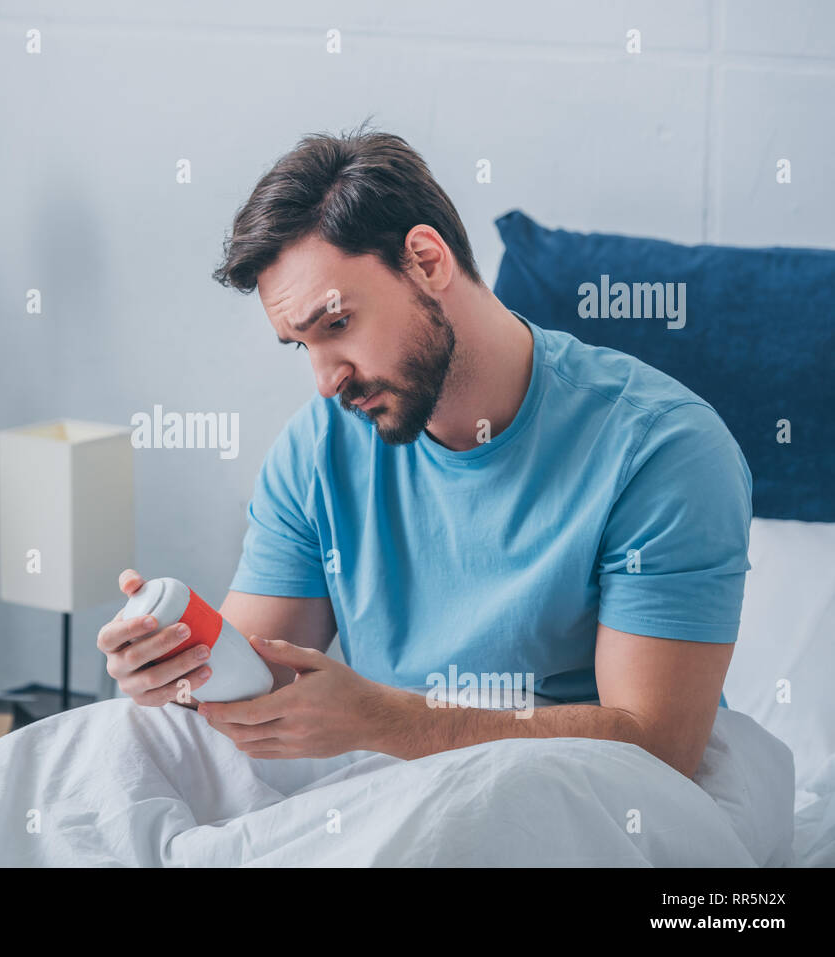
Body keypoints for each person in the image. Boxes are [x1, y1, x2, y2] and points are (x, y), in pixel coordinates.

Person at [98, 123, 752, 780]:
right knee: (107, 741)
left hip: (573, 801)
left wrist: (387, 719)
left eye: (338, 324)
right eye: (303, 345)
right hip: (381, 786)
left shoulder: (663, 451)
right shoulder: (316, 450)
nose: (326, 380)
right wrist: (177, 671)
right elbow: (261, 683)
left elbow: (656, 745)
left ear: (427, 261)